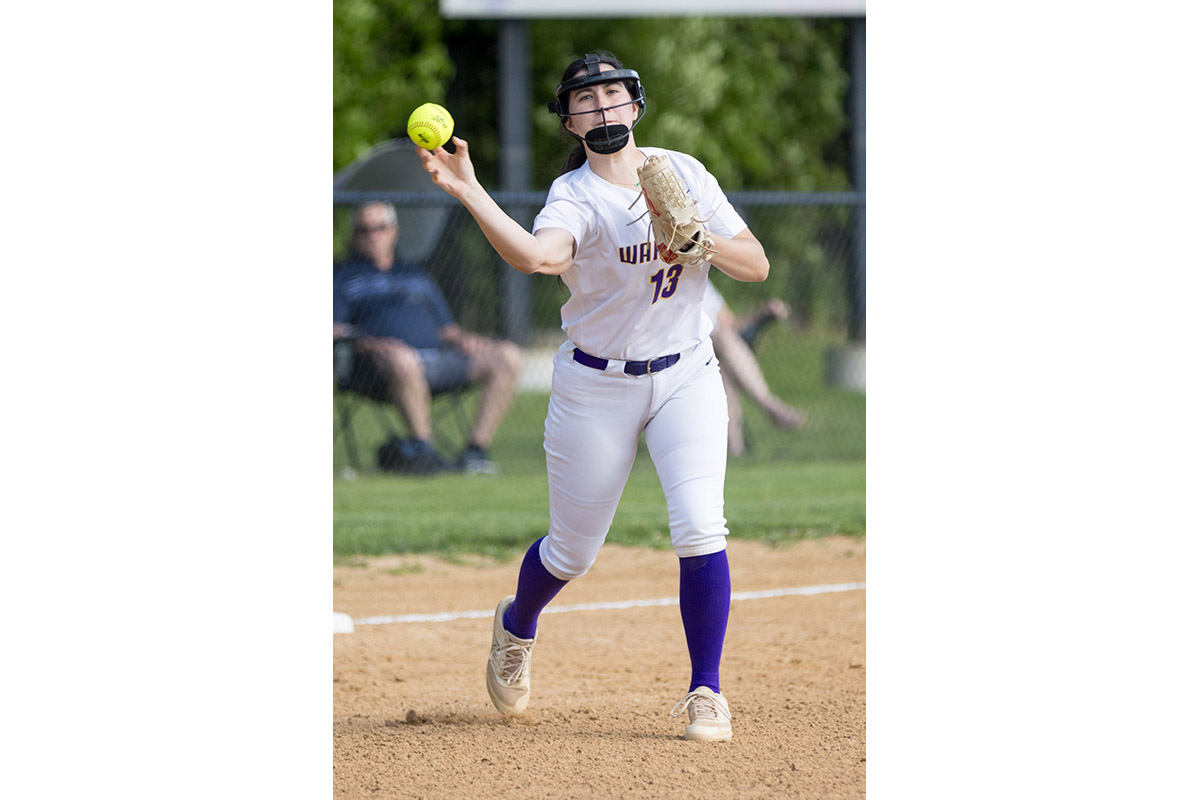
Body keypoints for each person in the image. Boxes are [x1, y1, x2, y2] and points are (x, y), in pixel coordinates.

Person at [419, 50, 768, 742]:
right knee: (572, 553)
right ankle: (518, 625)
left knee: (700, 523)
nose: (603, 106)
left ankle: (706, 690)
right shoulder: (574, 197)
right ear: (570, 120)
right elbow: (540, 257)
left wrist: (704, 241)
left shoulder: (685, 173)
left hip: (686, 374)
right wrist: (470, 191)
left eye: (614, 93)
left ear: (636, 105)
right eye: (587, 98)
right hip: (596, 384)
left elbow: (754, 264)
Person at [333, 201, 521, 474]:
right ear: (355, 235)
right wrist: (371, 343)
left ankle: (475, 452)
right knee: (404, 358)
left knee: (508, 355)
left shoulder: (416, 274)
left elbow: (447, 329)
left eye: (380, 227)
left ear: (394, 231)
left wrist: (462, 338)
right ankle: (425, 451)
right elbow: (334, 328)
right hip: (378, 368)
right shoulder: (341, 276)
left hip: (437, 359)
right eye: (364, 229)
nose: (373, 234)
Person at [704, 279, 807, 456]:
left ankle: (734, 448)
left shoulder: (702, 280)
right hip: (687, 350)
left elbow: (731, 323)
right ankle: (770, 405)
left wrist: (762, 313)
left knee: (723, 365)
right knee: (724, 340)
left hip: (717, 351)